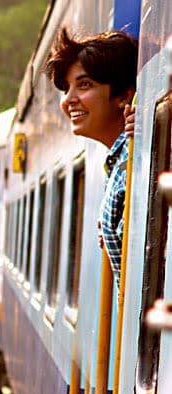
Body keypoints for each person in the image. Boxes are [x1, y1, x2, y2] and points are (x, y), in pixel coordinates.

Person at [45, 27, 138, 285]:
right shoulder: (120, 162)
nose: (68, 100)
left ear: (124, 96)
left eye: (84, 85)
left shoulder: (135, 164)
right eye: (67, 88)